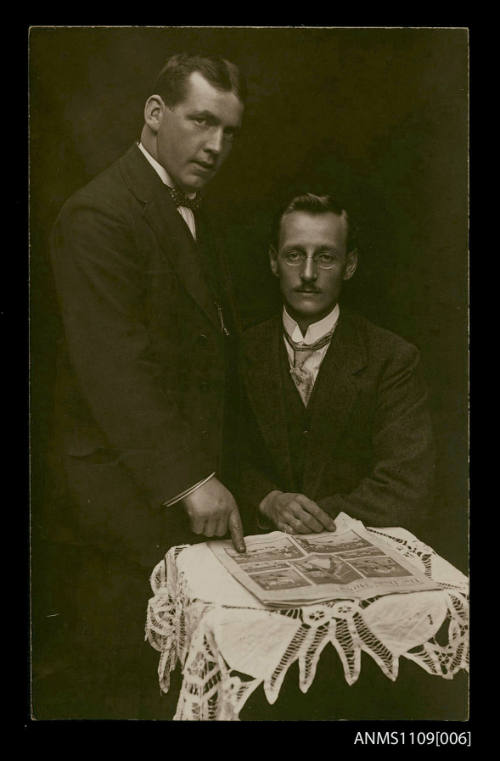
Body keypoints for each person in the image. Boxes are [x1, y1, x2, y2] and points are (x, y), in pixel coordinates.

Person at [34, 53, 247, 719]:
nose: (215, 146)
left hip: (172, 498)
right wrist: (192, 479)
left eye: (229, 131)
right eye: (201, 121)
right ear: (155, 115)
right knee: (126, 690)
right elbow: (114, 368)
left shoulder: (184, 210)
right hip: (118, 501)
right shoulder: (99, 214)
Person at [238, 193, 435, 539]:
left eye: (326, 257)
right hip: (253, 548)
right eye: (294, 255)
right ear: (273, 261)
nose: (308, 273)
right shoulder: (238, 352)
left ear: (350, 264)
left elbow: (406, 485)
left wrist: (308, 518)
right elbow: (216, 457)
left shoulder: (392, 359)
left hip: (359, 549)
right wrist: (267, 500)